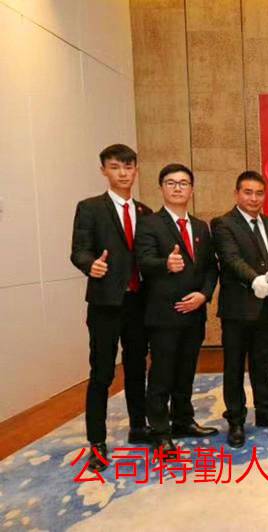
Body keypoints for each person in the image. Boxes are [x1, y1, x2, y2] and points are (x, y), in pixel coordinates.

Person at [70, 144, 152, 471]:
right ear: (104, 170)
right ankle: (97, 442)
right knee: (102, 372)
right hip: (105, 303)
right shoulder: (90, 208)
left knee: (136, 367)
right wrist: (90, 265)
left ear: (136, 171)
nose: (123, 173)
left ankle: (138, 426)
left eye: (128, 167)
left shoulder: (145, 212)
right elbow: (79, 250)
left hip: (138, 303)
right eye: (116, 167)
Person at [135, 163, 219, 453]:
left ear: (191, 189)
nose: (177, 188)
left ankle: (183, 419)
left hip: (194, 312)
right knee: (161, 374)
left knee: (186, 371)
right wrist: (165, 264)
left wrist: (204, 295)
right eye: (171, 183)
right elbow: (143, 261)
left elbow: (211, 268)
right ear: (161, 188)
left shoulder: (200, 226)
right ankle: (160, 431)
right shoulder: (149, 224)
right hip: (164, 314)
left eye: (183, 183)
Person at [211, 171, 268, 448]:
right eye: (248, 192)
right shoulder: (223, 224)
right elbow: (231, 258)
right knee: (234, 366)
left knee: (263, 362)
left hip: (267, 306)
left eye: (259, 193)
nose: (254, 198)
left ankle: (266, 410)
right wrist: (253, 279)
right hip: (238, 309)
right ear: (236, 194)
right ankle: (236, 419)